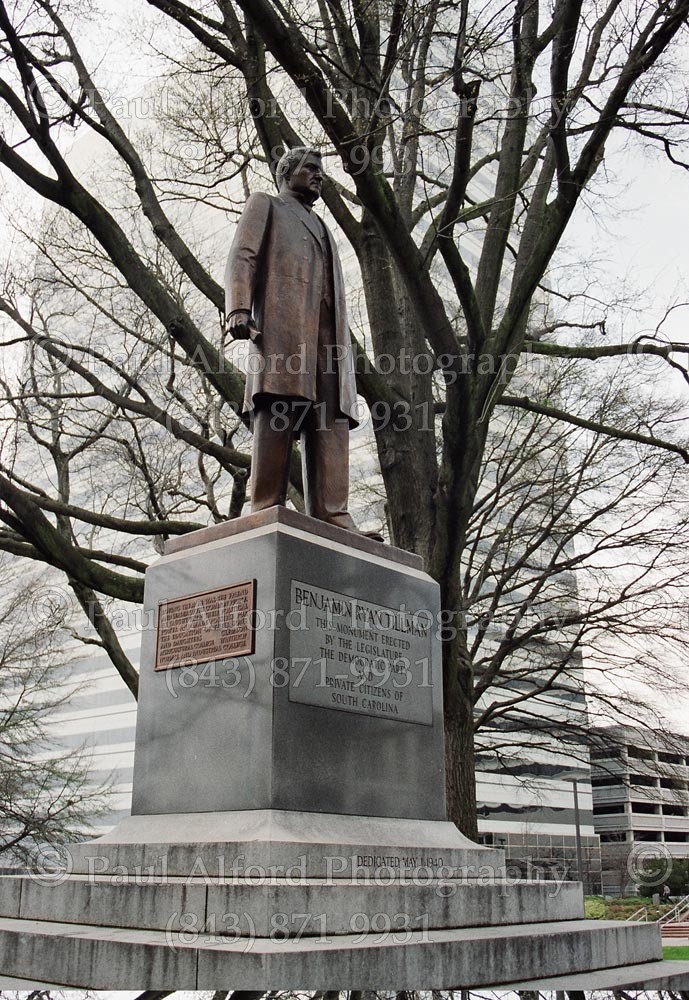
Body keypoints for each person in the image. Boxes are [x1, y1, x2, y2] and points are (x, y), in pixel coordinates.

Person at [225, 147, 381, 540]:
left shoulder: (322, 226)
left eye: (320, 170)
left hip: (328, 340)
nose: (319, 175)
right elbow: (243, 255)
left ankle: (333, 514)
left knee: (331, 419)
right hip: (285, 331)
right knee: (278, 407)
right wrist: (238, 308)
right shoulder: (267, 204)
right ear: (286, 173)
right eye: (310, 168)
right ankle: (265, 506)